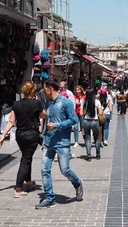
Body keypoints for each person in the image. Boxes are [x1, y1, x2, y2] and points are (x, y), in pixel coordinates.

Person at [37, 80, 83, 209]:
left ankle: (78, 183)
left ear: (50, 88)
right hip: (49, 141)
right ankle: (49, 197)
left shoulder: (65, 102)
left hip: (62, 142)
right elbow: (48, 120)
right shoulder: (48, 103)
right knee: (44, 169)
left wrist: (57, 125)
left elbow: (74, 119)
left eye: (45, 89)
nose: (43, 91)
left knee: (65, 170)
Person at [0, 82, 47, 198]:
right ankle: (18, 188)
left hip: (20, 135)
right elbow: (44, 115)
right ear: (33, 92)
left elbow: (11, 121)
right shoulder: (36, 103)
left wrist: (3, 135)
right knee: (25, 160)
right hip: (32, 135)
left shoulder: (16, 104)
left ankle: (29, 182)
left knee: (26, 157)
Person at [81, 89, 104, 161]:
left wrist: (85, 113)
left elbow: (81, 113)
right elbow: (100, 113)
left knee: (87, 138)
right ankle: (98, 154)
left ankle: (89, 155)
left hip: (86, 121)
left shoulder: (84, 101)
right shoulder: (97, 101)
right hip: (95, 121)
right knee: (96, 138)